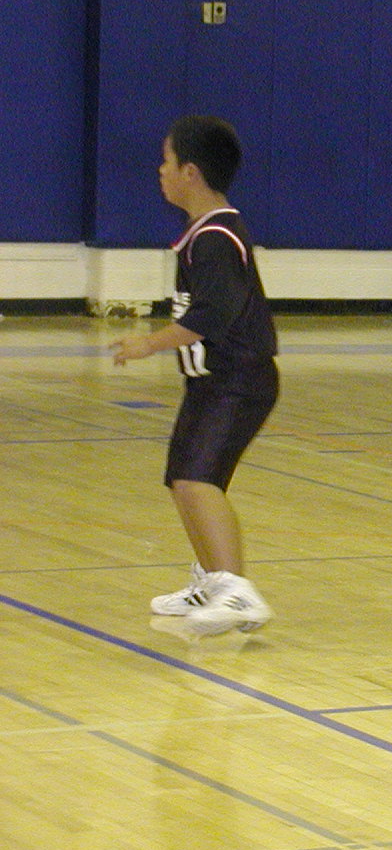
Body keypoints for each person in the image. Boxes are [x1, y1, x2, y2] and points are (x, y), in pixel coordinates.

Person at [111, 116, 278, 636]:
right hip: (213, 383)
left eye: (166, 161)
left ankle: (238, 592)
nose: (159, 171)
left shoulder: (216, 237)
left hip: (237, 380)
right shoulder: (204, 233)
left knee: (198, 480)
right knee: (183, 480)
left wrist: (148, 344)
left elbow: (214, 313)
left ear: (191, 172)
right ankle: (213, 582)